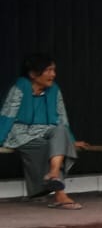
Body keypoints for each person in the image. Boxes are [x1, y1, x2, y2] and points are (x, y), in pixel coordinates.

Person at [1, 53, 88, 209]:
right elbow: (8, 115)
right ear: (33, 74)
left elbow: (62, 118)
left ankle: (53, 172)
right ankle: (60, 194)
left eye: (53, 70)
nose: (53, 75)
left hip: (48, 130)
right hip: (22, 133)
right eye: (48, 70)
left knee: (61, 131)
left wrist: (72, 140)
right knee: (49, 148)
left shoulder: (54, 90)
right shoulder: (20, 88)